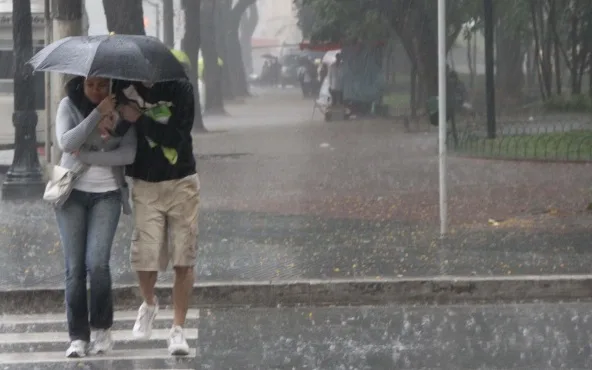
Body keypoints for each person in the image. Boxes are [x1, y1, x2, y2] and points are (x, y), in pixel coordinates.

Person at [54, 76, 137, 358]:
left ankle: (102, 328)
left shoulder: (126, 111)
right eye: (91, 85)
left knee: (97, 263)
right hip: (71, 195)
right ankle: (78, 336)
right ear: (82, 83)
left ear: (112, 85)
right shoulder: (68, 106)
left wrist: (89, 156)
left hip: (108, 194)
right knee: (74, 268)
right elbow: (67, 142)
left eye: (102, 85)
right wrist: (96, 115)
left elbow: (128, 153)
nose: (96, 90)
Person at [116, 78, 199, 356]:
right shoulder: (123, 88)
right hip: (144, 183)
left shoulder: (181, 89)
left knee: (183, 258)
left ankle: (178, 329)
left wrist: (139, 118)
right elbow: (117, 133)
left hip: (181, 181)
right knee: (145, 254)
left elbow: (178, 135)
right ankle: (149, 303)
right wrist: (112, 118)